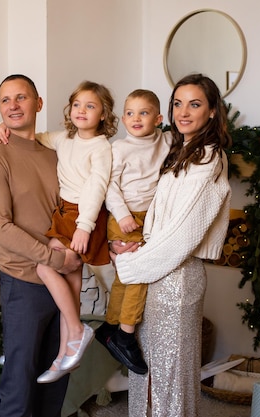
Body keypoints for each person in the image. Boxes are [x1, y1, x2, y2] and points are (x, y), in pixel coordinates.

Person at [111, 74, 232, 417]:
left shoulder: (208, 158)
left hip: (176, 279)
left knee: (171, 378)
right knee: (147, 370)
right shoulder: (179, 150)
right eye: (178, 103)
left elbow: (182, 236)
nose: (184, 112)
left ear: (211, 112)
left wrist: (130, 264)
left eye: (195, 104)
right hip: (155, 272)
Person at [0, 80, 118, 383]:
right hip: (65, 213)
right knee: (72, 283)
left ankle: (76, 329)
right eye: (77, 105)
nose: (81, 111)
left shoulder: (101, 147)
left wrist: (84, 227)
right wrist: (3, 126)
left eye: (90, 106)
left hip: (81, 217)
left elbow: (97, 188)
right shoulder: (64, 138)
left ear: (103, 114)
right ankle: (67, 354)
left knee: (47, 266)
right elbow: (36, 137)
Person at [0, 74, 82, 417]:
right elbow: (1, 229)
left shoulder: (56, 152)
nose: (13, 106)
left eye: (21, 98)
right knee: (20, 382)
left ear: (38, 104)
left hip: (64, 277)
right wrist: (53, 259)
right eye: (5, 100)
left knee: (57, 377)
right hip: (24, 281)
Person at [96, 89, 172, 375]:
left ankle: (111, 325)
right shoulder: (120, 148)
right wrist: (123, 215)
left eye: (143, 112)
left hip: (147, 218)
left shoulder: (165, 141)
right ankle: (125, 336)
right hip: (123, 216)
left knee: (124, 279)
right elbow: (110, 186)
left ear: (158, 118)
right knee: (138, 275)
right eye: (130, 113)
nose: (135, 118)